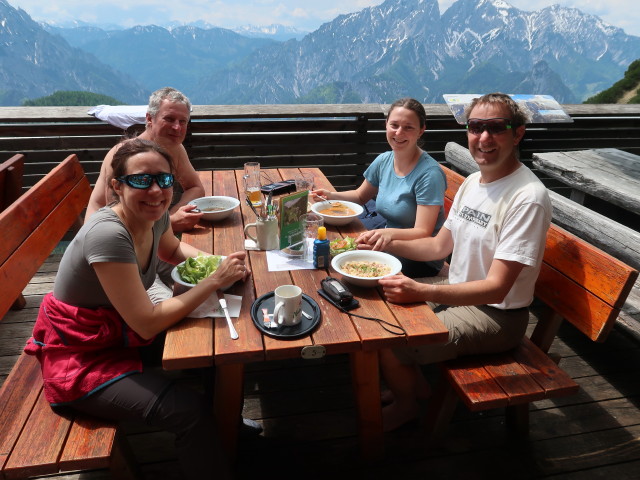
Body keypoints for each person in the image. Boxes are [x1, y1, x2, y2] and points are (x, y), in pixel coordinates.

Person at [25, 139, 252, 479]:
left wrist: (220, 264)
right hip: (81, 356)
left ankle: (226, 428)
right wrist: (213, 281)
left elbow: (174, 252)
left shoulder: (154, 214)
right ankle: (211, 444)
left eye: (164, 180)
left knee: (215, 350)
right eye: (141, 180)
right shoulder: (109, 234)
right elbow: (146, 323)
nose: (157, 190)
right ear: (116, 186)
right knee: (189, 412)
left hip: (119, 331)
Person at [376, 93, 553, 431]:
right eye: (475, 127)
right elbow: (438, 247)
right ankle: (413, 387)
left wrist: (417, 288)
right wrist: (388, 240)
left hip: (497, 316)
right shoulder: (474, 181)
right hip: (456, 289)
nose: (484, 138)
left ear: (518, 134)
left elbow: (497, 287)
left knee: (389, 337)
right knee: (377, 306)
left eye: (496, 128)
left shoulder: (526, 198)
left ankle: (407, 404)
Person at [86, 87, 205, 302]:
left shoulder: (174, 149)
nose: (177, 127)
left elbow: (195, 187)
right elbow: (122, 223)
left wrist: (171, 216)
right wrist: (170, 222)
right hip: (119, 251)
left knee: (208, 278)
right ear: (149, 118)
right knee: (173, 302)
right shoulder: (125, 157)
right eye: (169, 119)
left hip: (153, 241)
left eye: (183, 121)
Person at [311, 98, 447, 278]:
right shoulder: (384, 160)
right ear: (386, 125)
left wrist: (386, 233)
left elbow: (423, 231)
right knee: (329, 253)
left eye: (408, 127)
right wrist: (330, 195)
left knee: (342, 266)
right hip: (386, 241)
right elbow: (360, 196)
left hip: (419, 258)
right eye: (394, 125)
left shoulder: (429, 175)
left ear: (421, 130)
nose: (399, 133)